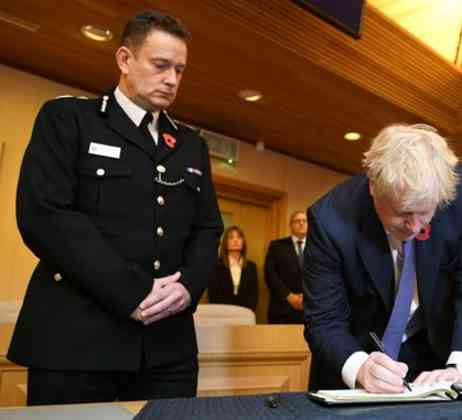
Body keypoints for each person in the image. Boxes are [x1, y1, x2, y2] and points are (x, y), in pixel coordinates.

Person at [9, 11, 223, 405]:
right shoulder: (70, 119)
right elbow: (45, 215)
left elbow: (207, 228)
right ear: (125, 60)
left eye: (179, 69)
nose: (172, 79)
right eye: (160, 65)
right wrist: (134, 291)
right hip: (77, 341)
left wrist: (189, 287)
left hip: (167, 349)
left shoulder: (191, 144)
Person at [303, 123, 462, 393]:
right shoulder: (330, 218)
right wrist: (360, 367)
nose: (417, 227)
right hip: (360, 357)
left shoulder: (460, 190)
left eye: (425, 213)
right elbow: (324, 319)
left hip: (440, 355)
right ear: (374, 186)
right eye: (404, 214)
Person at [264, 211, 307, 324]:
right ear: (291, 225)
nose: (301, 223)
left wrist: (307, 297)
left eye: (304, 221)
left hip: (310, 311)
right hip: (282, 310)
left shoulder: (317, 248)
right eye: (297, 221)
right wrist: (289, 296)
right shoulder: (277, 246)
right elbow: (270, 274)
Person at [208, 226, 258, 311]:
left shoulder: (252, 266)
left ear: (243, 242)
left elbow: (253, 295)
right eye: (231, 237)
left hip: (245, 314)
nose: (235, 240)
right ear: (225, 243)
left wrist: (244, 311)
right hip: (221, 313)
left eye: (239, 237)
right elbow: (213, 294)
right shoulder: (215, 265)